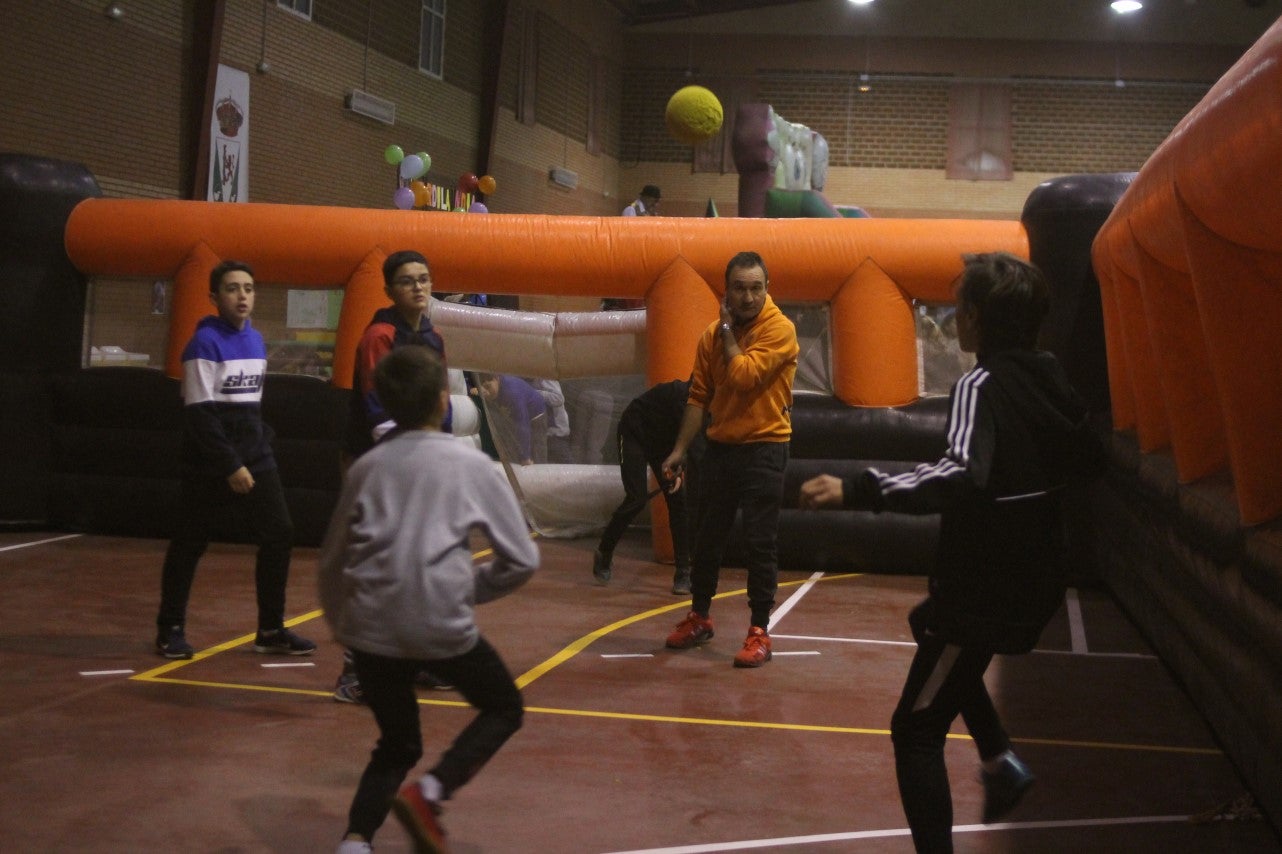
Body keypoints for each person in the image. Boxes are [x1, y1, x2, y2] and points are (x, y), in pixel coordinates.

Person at [799, 252, 1106, 852]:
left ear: (977, 319)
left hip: (984, 591)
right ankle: (999, 761)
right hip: (1032, 585)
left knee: (914, 730)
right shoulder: (1050, 377)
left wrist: (861, 487)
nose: (956, 318)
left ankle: (993, 776)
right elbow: (1087, 460)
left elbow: (961, 471)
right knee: (928, 625)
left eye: (961, 308)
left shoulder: (979, 384)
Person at [318, 346, 538, 854]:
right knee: (503, 707)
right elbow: (521, 560)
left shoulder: (366, 469)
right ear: (445, 399)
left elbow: (333, 560)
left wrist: (339, 624)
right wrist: (468, 587)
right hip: (440, 621)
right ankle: (432, 792)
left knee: (397, 743)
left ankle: (354, 842)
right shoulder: (471, 464)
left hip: (370, 628)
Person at [154, 260, 315, 659]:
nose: (242, 295)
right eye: (232, 288)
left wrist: (254, 452)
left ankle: (271, 629)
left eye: (248, 287)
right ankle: (169, 629)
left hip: (256, 456)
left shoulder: (257, 341)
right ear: (214, 297)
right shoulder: (202, 345)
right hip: (208, 462)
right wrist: (230, 465)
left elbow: (250, 409)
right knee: (190, 543)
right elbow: (200, 416)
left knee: (279, 533)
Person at [660, 251, 798, 668]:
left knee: (760, 542)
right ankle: (700, 616)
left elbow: (742, 377)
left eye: (756, 287)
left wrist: (725, 331)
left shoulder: (780, 330)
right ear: (727, 291)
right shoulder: (710, 336)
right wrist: (680, 450)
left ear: (767, 289)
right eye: (740, 288)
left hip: (765, 447)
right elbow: (699, 396)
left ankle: (759, 631)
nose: (749, 296)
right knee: (708, 537)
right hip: (721, 448)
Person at [334, 249, 453, 703]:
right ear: (389, 290)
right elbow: (377, 410)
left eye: (424, 278)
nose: (418, 287)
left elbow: (439, 405)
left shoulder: (435, 340)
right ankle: (354, 673)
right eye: (407, 281)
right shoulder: (379, 336)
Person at [592, 377, 703, 595]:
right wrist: (681, 465)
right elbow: (693, 446)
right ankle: (604, 551)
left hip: (664, 444)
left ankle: (683, 572)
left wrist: (680, 470)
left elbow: (694, 447)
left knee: (677, 501)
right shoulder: (681, 397)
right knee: (636, 498)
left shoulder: (708, 410)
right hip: (635, 432)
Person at [477, 372, 547, 465]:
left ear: (496, 379)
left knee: (538, 456)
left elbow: (523, 425)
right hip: (516, 418)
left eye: (488, 386)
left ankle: (540, 473)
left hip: (536, 416)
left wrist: (525, 457)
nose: (487, 392)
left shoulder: (512, 392)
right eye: (483, 389)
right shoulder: (499, 388)